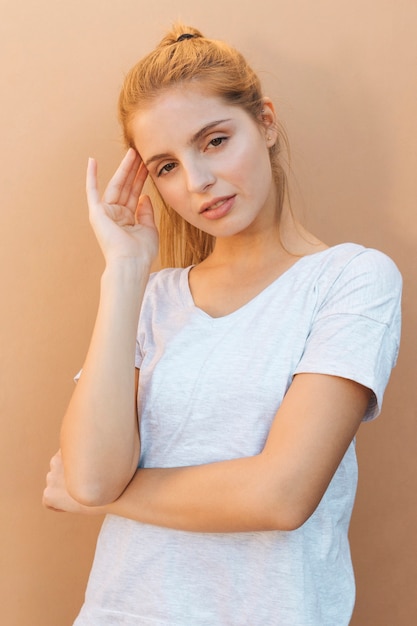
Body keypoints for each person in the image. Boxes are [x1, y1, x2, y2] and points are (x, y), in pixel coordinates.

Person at [43, 23, 402, 626]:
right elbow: (92, 470)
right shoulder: (153, 298)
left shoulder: (351, 280)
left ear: (265, 121)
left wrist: (106, 497)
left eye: (213, 141)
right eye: (165, 167)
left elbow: (281, 495)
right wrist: (126, 270)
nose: (196, 182)